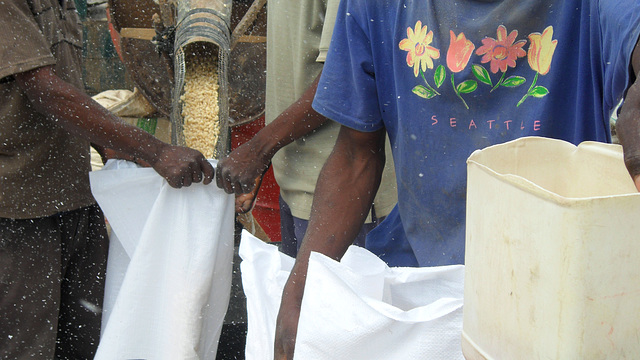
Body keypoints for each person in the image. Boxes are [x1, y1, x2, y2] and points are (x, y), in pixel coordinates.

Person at [270, 0, 640, 358]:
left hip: (555, 301)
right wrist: (301, 290)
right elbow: (356, 153)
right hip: (423, 288)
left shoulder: (591, 7)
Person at [0, 1, 214, 359]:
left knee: (85, 338)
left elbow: (64, 80)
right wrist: (155, 151)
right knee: (26, 345)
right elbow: (42, 88)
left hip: (74, 198)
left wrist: (107, 144)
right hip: (20, 209)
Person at [216, 0, 397, 257]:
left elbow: (342, 79)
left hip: (342, 193)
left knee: (315, 295)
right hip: (296, 181)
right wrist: (266, 154)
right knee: (298, 292)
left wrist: (259, 149)